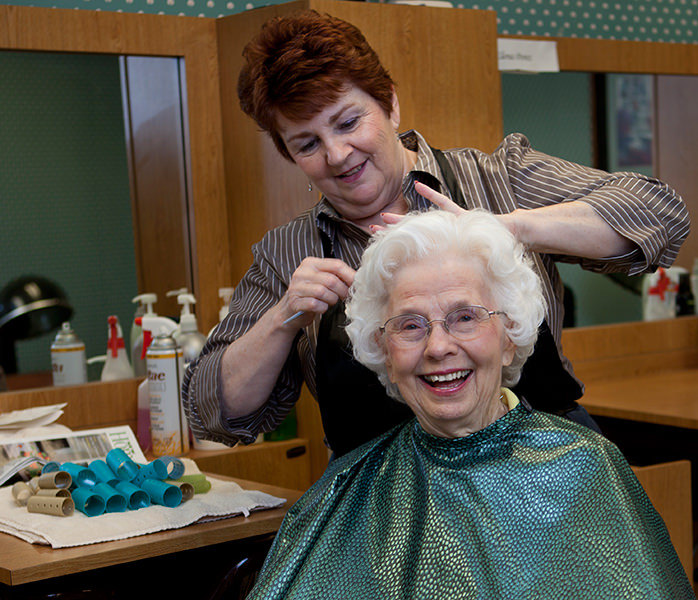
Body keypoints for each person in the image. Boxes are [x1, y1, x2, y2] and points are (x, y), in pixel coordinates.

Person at [181, 10, 690, 457]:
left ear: (391, 105)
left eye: (348, 122)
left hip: (541, 476)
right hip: (380, 509)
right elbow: (211, 410)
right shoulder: (287, 255)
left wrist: (508, 227)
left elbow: (658, 213)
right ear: (288, 154)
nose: (337, 155)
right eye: (307, 143)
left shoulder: (497, 180)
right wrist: (282, 319)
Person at [245, 209, 695, 599]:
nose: (439, 347)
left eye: (465, 318)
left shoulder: (585, 469)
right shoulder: (348, 488)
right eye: (410, 325)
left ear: (509, 336)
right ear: (383, 350)